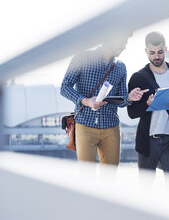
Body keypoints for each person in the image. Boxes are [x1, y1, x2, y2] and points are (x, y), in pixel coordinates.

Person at [60, 34, 148, 165]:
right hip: (85, 125)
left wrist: (129, 97)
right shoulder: (82, 58)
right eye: (122, 41)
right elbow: (64, 87)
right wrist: (86, 101)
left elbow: (122, 99)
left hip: (111, 127)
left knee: (109, 178)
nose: (124, 47)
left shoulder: (121, 67)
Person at [127, 31, 169, 178]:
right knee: (146, 188)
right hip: (147, 142)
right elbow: (131, 113)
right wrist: (147, 104)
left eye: (160, 52)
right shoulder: (138, 78)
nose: (156, 56)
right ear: (146, 52)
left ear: (166, 50)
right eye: (152, 52)